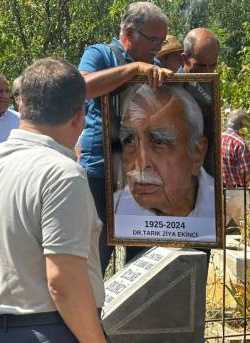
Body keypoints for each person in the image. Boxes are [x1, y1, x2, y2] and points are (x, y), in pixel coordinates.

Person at [0, 57, 108, 343]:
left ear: (21, 105)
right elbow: (63, 282)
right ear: (79, 116)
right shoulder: (63, 175)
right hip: (50, 333)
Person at [78, 1, 172, 273]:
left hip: (143, 176)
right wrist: (132, 71)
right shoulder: (100, 54)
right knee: (94, 260)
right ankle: (91, 315)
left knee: (140, 263)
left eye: (162, 41)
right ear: (129, 34)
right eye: (154, 40)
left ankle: (135, 316)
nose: (159, 49)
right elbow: (80, 87)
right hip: (100, 174)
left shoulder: (155, 67)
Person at [114, 84, 214, 219]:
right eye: (130, 140)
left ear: (197, 154)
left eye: (159, 142)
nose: (142, 165)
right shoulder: (114, 209)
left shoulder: (225, 207)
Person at [221, 109, 250, 188]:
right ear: (242, 125)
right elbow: (247, 174)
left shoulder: (218, 138)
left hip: (219, 191)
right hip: (237, 191)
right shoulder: (240, 143)